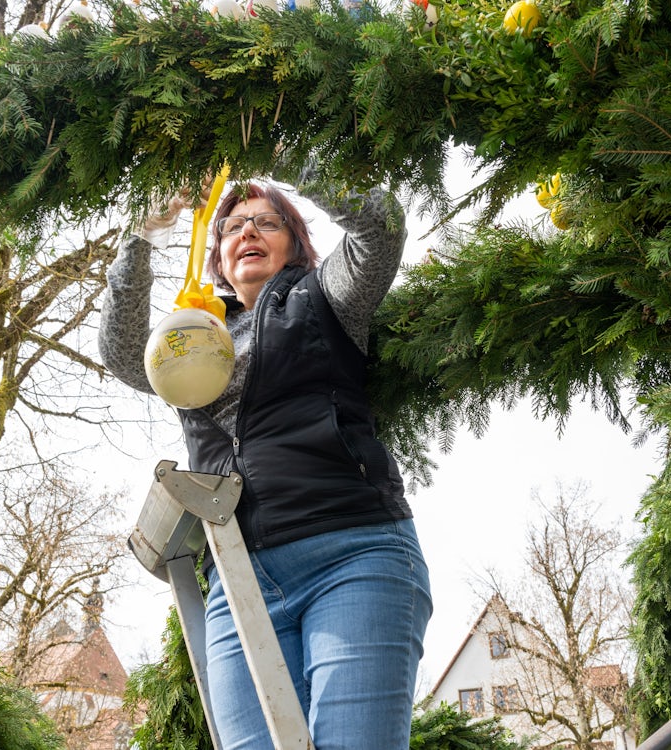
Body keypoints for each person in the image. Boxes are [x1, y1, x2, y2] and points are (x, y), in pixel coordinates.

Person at [99, 169, 432, 750]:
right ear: (219, 258)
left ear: (296, 240)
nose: (247, 230)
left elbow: (381, 230)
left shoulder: (327, 295)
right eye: (231, 226)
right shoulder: (194, 337)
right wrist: (141, 234)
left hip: (351, 554)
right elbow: (123, 353)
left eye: (266, 220)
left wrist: (283, 149)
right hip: (238, 577)